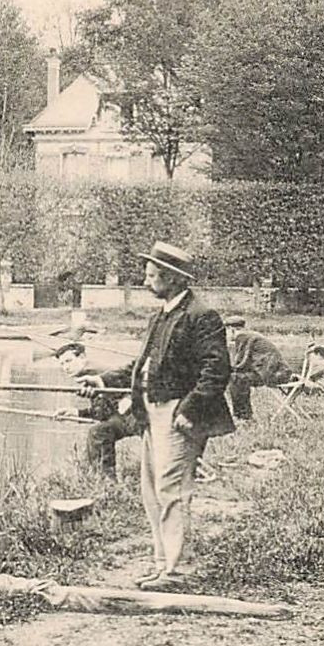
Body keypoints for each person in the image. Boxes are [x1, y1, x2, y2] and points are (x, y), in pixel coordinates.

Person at [78, 241, 234, 591]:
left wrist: (190, 409)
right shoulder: (162, 315)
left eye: (152, 276)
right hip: (151, 413)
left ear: (174, 279)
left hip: (178, 415)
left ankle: (176, 572)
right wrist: (102, 380)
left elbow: (217, 370)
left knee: (172, 490)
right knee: (151, 491)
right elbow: (143, 367)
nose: (147, 281)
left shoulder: (201, 316)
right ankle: (162, 565)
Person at [52, 342, 141, 479]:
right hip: (127, 417)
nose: (66, 367)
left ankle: (106, 482)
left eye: (69, 361)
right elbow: (105, 412)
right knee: (100, 431)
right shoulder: (88, 374)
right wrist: (76, 413)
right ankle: (105, 481)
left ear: (82, 357)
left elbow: (117, 405)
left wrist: (123, 398)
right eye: (62, 364)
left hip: (138, 414)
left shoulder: (98, 373)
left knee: (98, 433)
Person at [224, 315, 294, 421]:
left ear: (232, 329)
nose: (226, 335)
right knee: (236, 378)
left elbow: (241, 363)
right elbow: (245, 362)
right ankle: (241, 414)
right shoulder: (251, 335)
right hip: (280, 372)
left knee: (236, 379)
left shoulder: (242, 337)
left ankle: (243, 416)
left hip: (275, 375)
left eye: (226, 331)